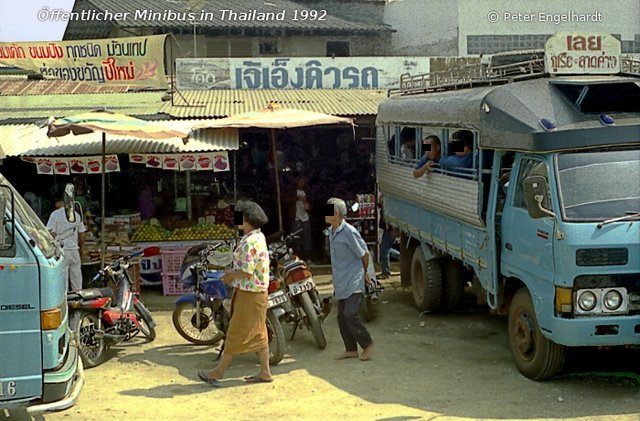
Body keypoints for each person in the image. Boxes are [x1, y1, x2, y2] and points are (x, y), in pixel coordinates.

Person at [197, 199, 273, 386]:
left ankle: (218, 372)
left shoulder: (249, 242)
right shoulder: (258, 236)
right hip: (258, 293)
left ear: (247, 219)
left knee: (235, 332)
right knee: (259, 332)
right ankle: (265, 371)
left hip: (249, 293)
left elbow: (246, 272)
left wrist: (230, 275)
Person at [325, 197, 374, 361]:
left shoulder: (349, 232)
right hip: (341, 281)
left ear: (336, 213)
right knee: (341, 317)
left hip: (353, 280)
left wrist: (364, 273)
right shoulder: (331, 232)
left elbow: (364, 254)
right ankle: (351, 349)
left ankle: (367, 344)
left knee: (350, 314)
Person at [46, 199, 86, 291]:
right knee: (77, 279)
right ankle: (78, 299)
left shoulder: (55, 214)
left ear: (60, 202)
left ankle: (65, 302)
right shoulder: (76, 215)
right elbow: (82, 234)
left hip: (62, 251)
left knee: (63, 282)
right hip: (74, 251)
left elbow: (49, 232)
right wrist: (81, 248)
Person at [285, 176, 313, 262]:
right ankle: (298, 258)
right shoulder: (292, 191)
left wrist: (305, 201)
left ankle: (307, 258)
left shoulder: (307, 191)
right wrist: (297, 198)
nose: (301, 182)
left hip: (305, 218)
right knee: (296, 239)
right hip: (295, 218)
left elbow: (310, 205)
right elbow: (286, 200)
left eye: (303, 181)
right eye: (300, 181)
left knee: (307, 238)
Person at [377, 193, 393, 279]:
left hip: (388, 227)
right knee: (386, 248)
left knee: (384, 248)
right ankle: (385, 270)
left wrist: (387, 225)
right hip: (387, 227)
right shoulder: (384, 198)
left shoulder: (387, 198)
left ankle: (386, 271)